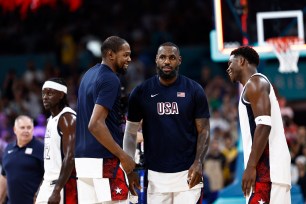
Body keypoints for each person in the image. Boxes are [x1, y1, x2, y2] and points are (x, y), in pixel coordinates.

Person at [123, 42, 211, 204]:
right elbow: (130, 132)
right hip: (155, 176)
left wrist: (199, 162)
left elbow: (204, 130)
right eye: (162, 57)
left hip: (188, 174)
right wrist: (129, 168)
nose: (167, 62)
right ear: (156, 60)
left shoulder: (194, 90)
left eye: (172, 57)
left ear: (179, 60)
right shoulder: (141, 92)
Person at [74, 36, 136, 203]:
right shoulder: (110, 79)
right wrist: (122, 155)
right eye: (125, 54)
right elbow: (95, 124)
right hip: (103, 161)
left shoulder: (87, 75)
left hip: (83, 162)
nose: (129, 59)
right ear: (111, 55)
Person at [226, 46, 291, 204]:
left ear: (241, 61)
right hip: (269, 173)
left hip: (267, 174)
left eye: (230, 63)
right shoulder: (254, 85)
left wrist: (250, 167)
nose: (228, 68)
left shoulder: (256, 82)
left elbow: (264, 125)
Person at [36, 78, 77, 204]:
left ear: (61, 95)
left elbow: (70, 156)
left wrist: (56, 190)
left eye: (50, 93)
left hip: (61, 185)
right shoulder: (51, 119)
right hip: (47, 183)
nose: (45, 97)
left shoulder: (68, 118)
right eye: (43, 93)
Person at [0, 115, 44, 204]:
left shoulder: (41, 148)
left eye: (29, 127)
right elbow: (4, 177)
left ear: (33, 129)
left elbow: (48, 176)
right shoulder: (8, 148)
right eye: (22, 127)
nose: (26, 131)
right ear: (15, 130)